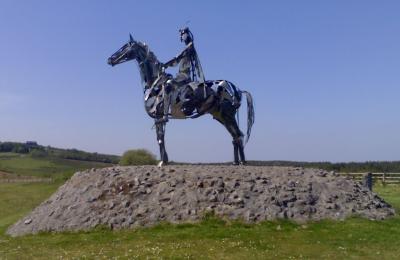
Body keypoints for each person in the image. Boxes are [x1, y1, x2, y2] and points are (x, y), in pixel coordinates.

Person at [158, 27, 206, 121]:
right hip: (181, 75)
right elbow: (177, 60)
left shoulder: (189, 47)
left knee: (167, 86)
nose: (182, 37)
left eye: (183, 35)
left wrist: (165, 65)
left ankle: (165, 115)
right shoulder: (189, 47)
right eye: (182, 36)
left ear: (187, 35)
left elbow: (177, 58)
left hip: (184, 76)